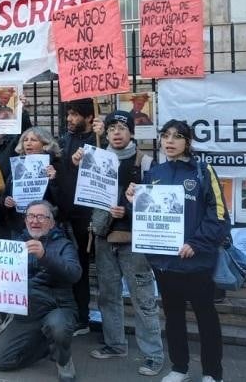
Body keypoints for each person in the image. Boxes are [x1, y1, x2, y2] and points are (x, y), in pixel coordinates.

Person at [126, 119, 230, 382]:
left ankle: (212, 373)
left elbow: (219, 215)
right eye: (165, 136)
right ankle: (179, 368)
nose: (170, 141)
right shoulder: (155, 173)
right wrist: (131, 201)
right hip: (165, 263)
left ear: (188, 142)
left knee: (206, 317)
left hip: (198, 262)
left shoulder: (203, 171)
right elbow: (145, 216)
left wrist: (196, 244)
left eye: (177, 136)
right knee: (173, 317)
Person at [70, 110, 163, 376]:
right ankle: (115, 344)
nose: (117, 133)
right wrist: (76, 163)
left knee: (143, 299)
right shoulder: (96, 158)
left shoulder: (146, 162)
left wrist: (128, 211)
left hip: (134, 241)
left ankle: (153, 355)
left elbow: (155, 203)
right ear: (106, 133)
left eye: (122, 128)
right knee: (108, 296)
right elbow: (84, 192)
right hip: (103, 236)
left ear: (131, 132)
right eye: (112, 129)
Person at [0, 200, 82, 382]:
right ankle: (46, 345)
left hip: (57, 307)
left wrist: (44, 256)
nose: (34, 221)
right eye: (30, 216)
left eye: (40, 216)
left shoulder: (64, 245)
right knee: (0, 361)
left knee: (59, 327)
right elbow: (0, 278)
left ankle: (63, 360)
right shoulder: (16, 244)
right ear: (25, 221)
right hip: (28, 312)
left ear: (51, 222)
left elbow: (74, 274)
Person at [57, 98, 98, 336]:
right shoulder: (65, 140)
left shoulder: (98, 140)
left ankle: (84, 317)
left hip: (88, 216)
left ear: (89, 117)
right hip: (66, 213)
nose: (69, 119)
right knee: (71, 267)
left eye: (74, 114)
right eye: (68, 114)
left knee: (83, 267)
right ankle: (76, 315)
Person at [1, 127, 61, 237]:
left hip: (44, 226)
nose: (28, 143)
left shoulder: (55, 166)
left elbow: (61, 201)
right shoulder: (18, 166)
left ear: (45, 144)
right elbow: (6, 194)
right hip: (19, 226)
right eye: (25, 140)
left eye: (33, 140)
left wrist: (53, 180)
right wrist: (6, 201)